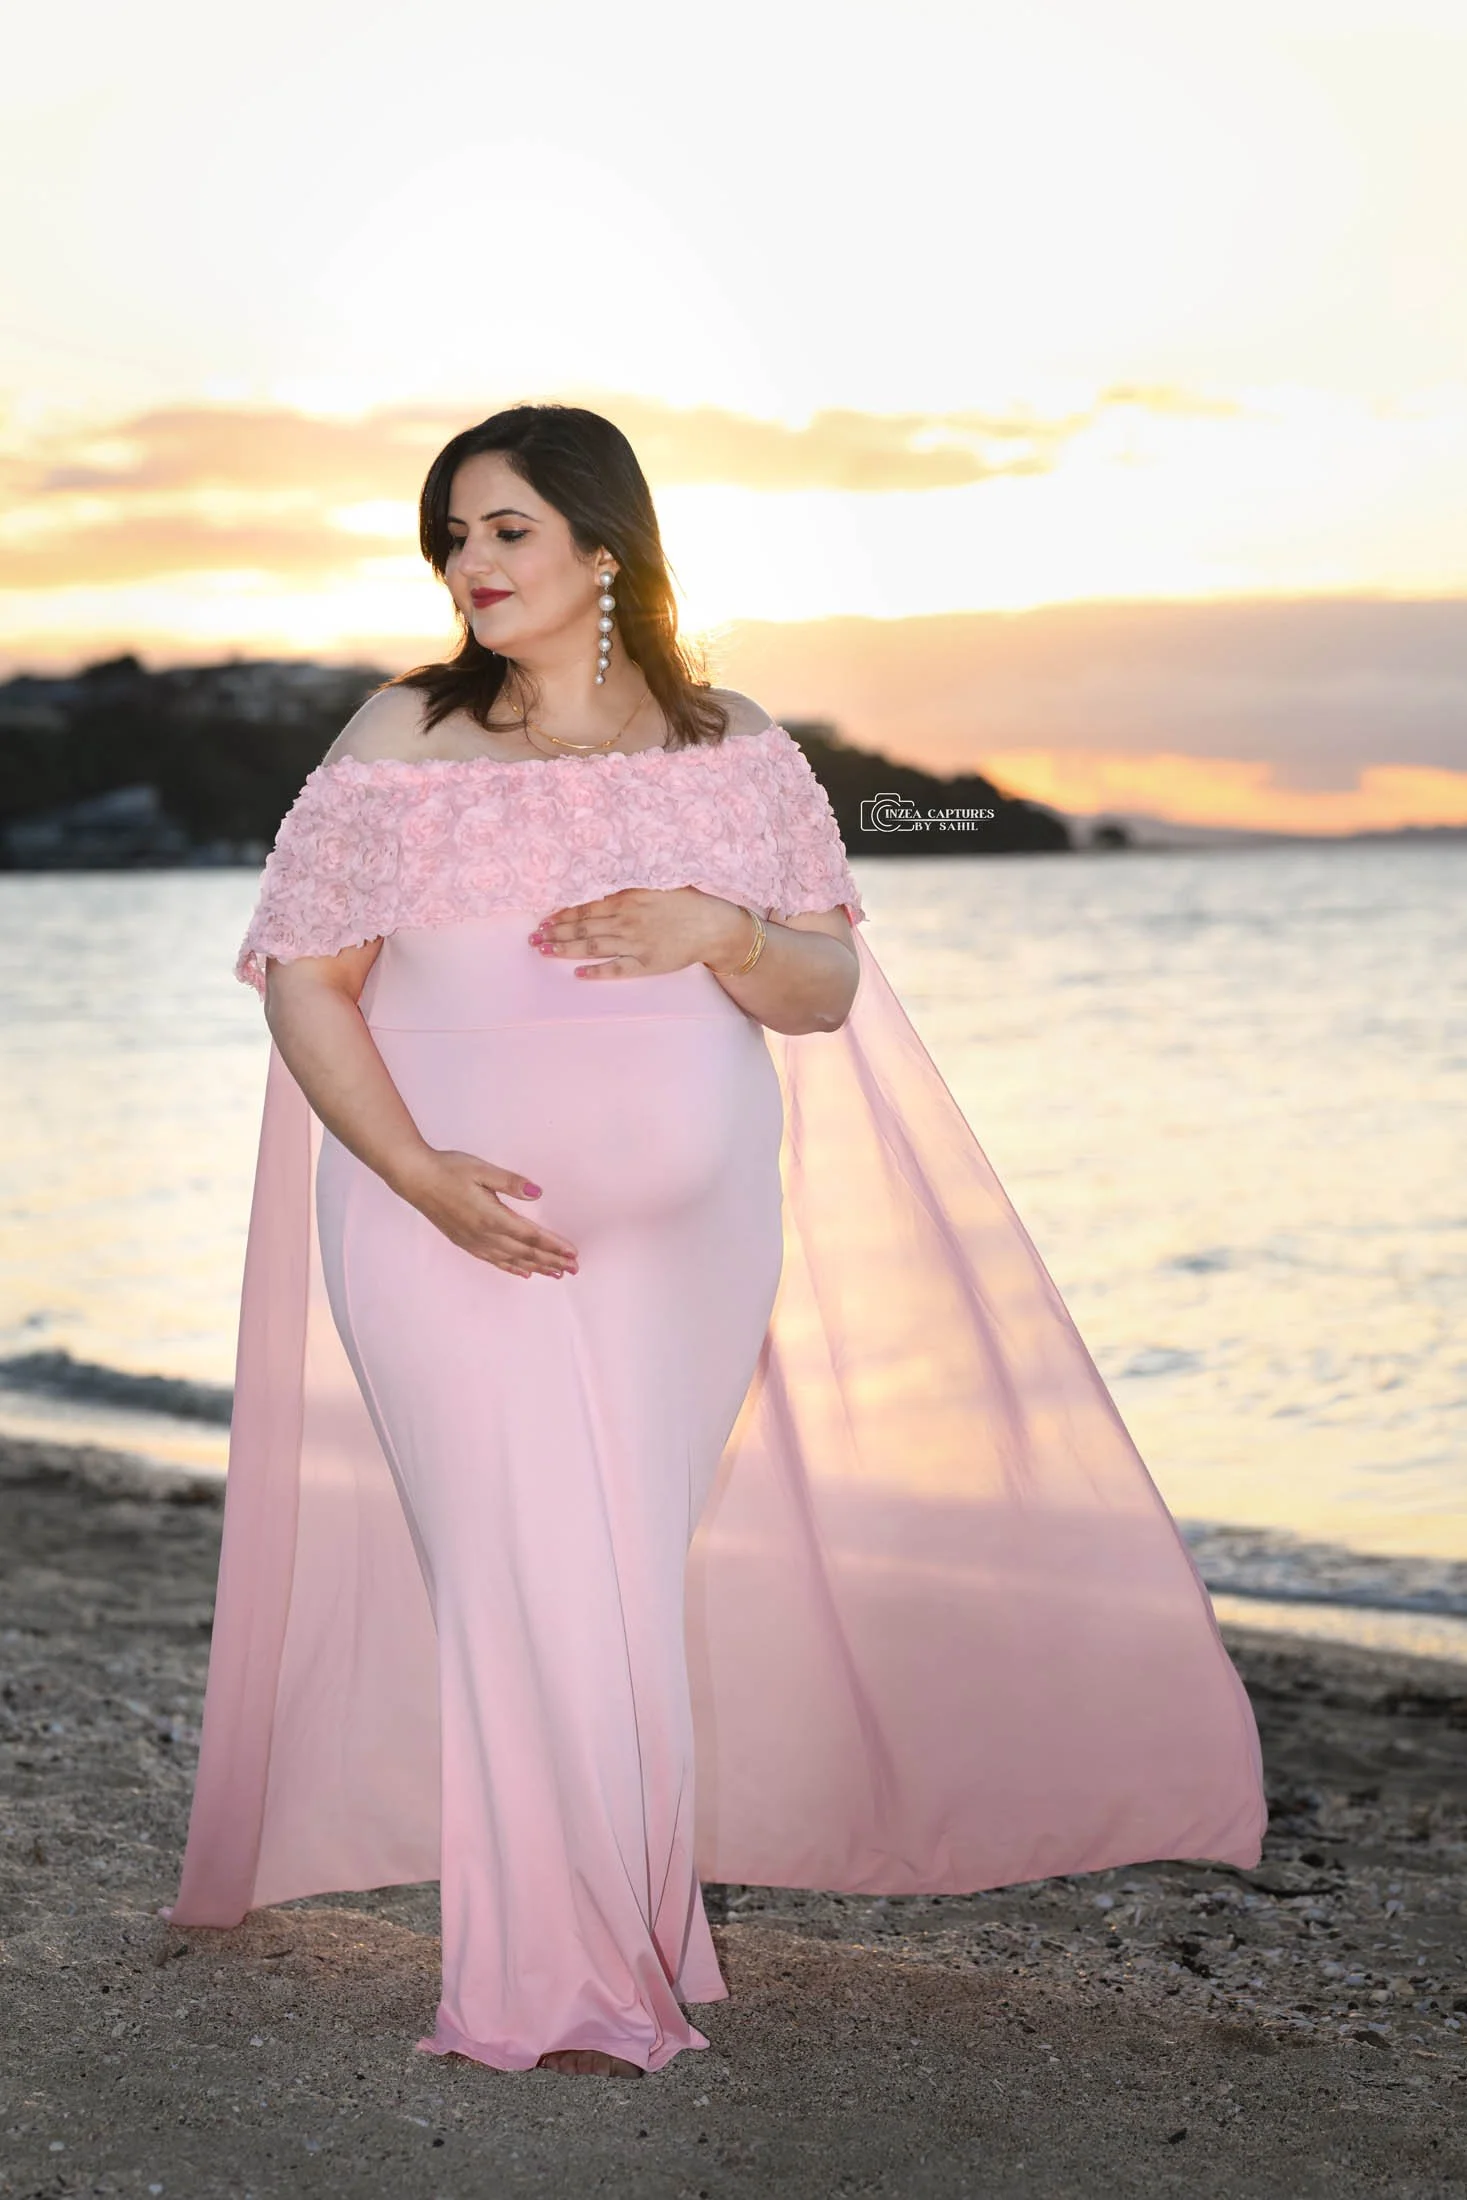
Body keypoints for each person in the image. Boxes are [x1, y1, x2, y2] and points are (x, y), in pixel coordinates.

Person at [166, 403, 1267, 2080]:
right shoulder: (400, 731)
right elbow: (306, 982)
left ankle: (641, 1932)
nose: (470, 563)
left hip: (691, 1237)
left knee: (615, 1573)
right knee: (516, 1580)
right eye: (453, 534)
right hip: (438, 1224)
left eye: (507, 529)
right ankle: (547, 1977)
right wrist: (410, 1171)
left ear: (604, 546)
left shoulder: (724, 738)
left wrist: (718, 926)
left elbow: (819, 988)